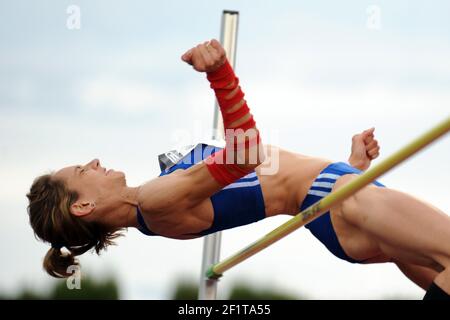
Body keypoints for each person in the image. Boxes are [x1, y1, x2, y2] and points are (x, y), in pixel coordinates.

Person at [27, 39, 450, 300]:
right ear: (82, 205)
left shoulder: (155, 199)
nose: (96, 162)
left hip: (338, 196)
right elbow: (247, 153)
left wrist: (352, 168)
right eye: (84, 168)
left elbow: (266, 180)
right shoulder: (153, 202)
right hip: (337, 200)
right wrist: (219, 74)